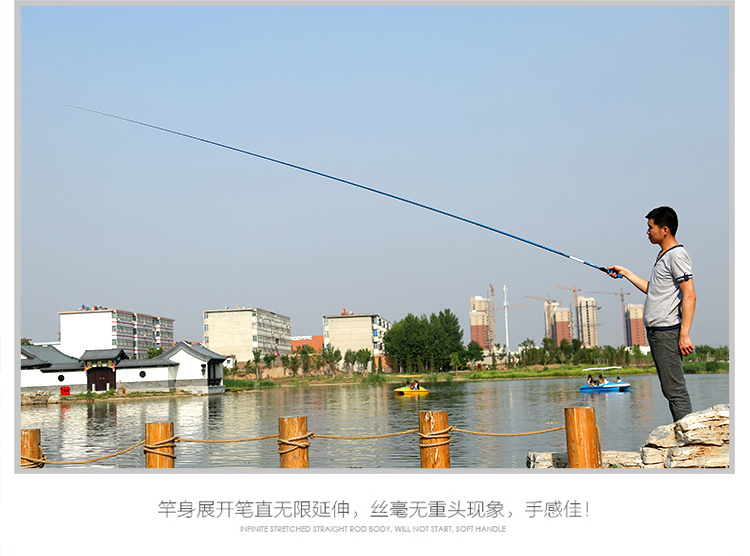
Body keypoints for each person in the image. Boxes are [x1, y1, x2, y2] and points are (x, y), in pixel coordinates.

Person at [607, 206, 696, 422]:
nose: (647, 231)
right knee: (670, 389)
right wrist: (626, 272)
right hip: (657, 332)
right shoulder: (663, 256)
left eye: (650, 227)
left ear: (665, 230)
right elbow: (652, 289)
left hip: (667, 331)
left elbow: (690, 295)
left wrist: (684, 334)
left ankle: (689, 435)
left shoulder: (677, 255)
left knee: (675, 391)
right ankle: (683, 431)